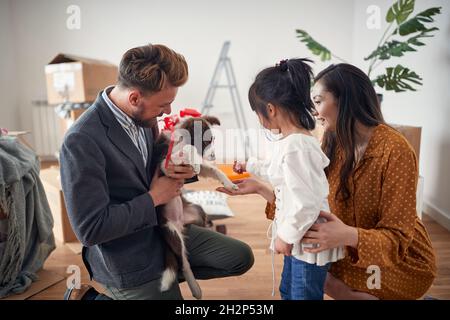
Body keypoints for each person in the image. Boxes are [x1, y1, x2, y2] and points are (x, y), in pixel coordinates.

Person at [219, 63, 437, 300]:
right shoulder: (332, 141)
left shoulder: (395, 150)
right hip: (345, 249)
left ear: (345, 100)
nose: (312, 110)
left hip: (394, 261)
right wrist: (263, 189)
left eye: (319, 101)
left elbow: (397, 238)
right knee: (306, 267)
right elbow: (307, 200)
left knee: (311, 271)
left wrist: (347, 236)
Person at [60, 44, 253, 300]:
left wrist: (182, 170)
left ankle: (162, 284)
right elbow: (90, 229)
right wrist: (154, 198)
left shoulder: (143, 118)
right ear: (134, 98)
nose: (168, 112)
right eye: (164, 104)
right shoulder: (81, 141)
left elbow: (151, 168)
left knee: (240, 258)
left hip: (161, 230)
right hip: (126, 255)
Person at [228, 58, 344, 300]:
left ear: (270, 109)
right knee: (288, 291)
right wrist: (249, 165)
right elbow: (276, 168)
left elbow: (307, 202)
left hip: (307, 240)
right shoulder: (291, 141)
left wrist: (286, 235)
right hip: (300, 239)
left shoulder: (297, 146)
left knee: (302, 295)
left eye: (257, 112)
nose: (259, 119)